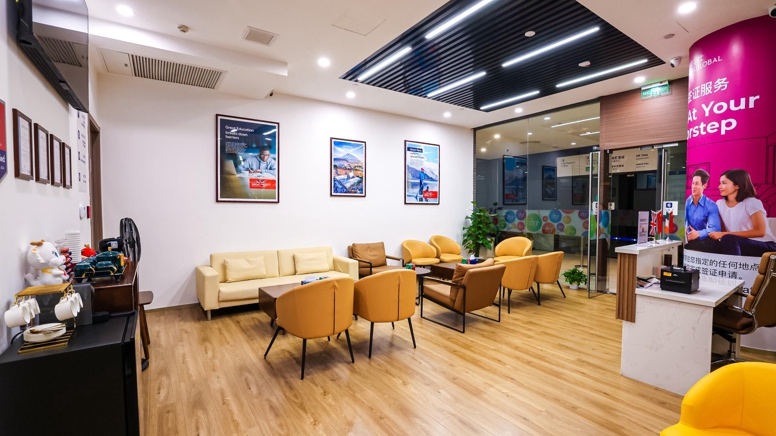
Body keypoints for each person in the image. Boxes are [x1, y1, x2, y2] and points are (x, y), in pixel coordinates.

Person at [708, 169, 776, 257]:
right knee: (710, 240)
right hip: (736, 242)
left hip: (766, 245)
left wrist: (724, 234)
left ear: (737, 185)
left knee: (728, 238)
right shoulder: (719, 204)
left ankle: (734, 265)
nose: (719, 187)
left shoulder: (752, 203)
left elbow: (760, 232)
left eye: (724, 183)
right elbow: (723, 230)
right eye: (720, 183)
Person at [684, 169, 721, 252]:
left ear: (704, 186)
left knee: (711, 241)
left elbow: (715, 228)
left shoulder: (711, 205)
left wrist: (698, 233)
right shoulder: (687, 202)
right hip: (688, 239)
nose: (693, 186)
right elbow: (683, 221)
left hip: (704, 241)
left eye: (697, 184)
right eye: (693, 183)